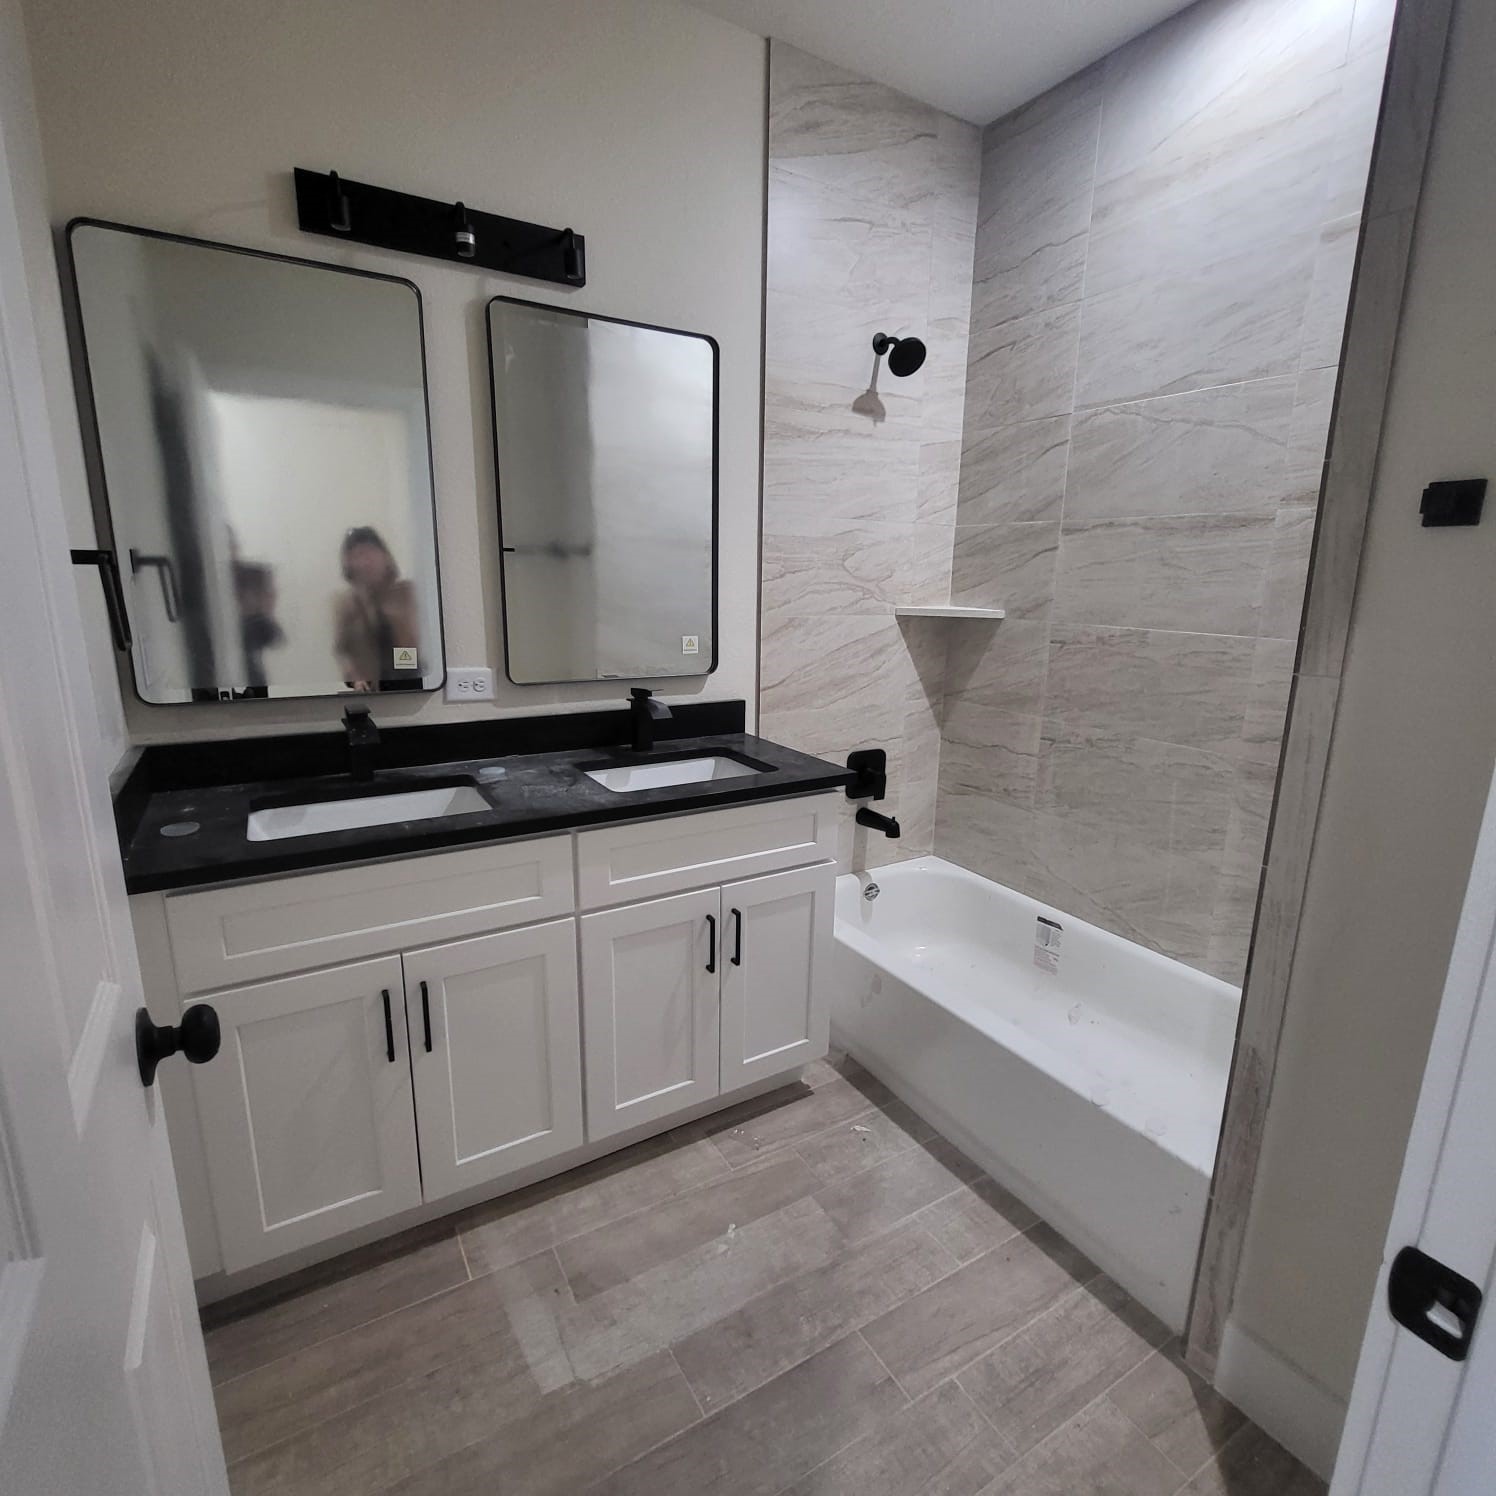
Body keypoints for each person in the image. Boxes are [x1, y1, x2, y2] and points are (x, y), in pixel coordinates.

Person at [333, 526, 421, 692]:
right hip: (369, 694)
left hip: (410, 689)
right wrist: (354, 678)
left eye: (370, 553)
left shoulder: (407, 593)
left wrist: (390, 612)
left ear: (386, 557)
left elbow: (409, 659)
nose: (365, 563)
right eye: (356, 556)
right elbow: (342, 651)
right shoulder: (346, 604)